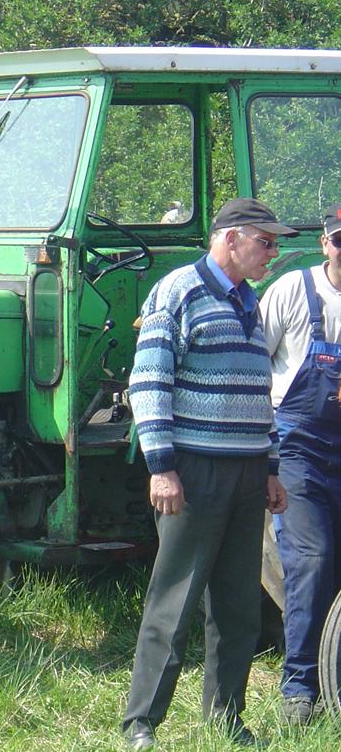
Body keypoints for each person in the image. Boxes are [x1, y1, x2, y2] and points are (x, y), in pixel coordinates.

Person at [122, 197, 293, 750]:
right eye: (266, 242)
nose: (274, 252)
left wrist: (268, 467)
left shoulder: (250, 301)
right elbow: (149, 382)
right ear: (231, 238)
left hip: (246, 475)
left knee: (239, 605)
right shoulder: (178, 292)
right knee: (174, 599)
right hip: (194, 473)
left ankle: (226, 719)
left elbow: (258, 395)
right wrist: (163, 467)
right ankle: (141, 723)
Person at [259, 205, 341, 725]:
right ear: (327, 242)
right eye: (340, 240)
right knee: (312, 559)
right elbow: (250, 358)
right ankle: (301, 688)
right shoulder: (292, 291)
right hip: (300, 450)